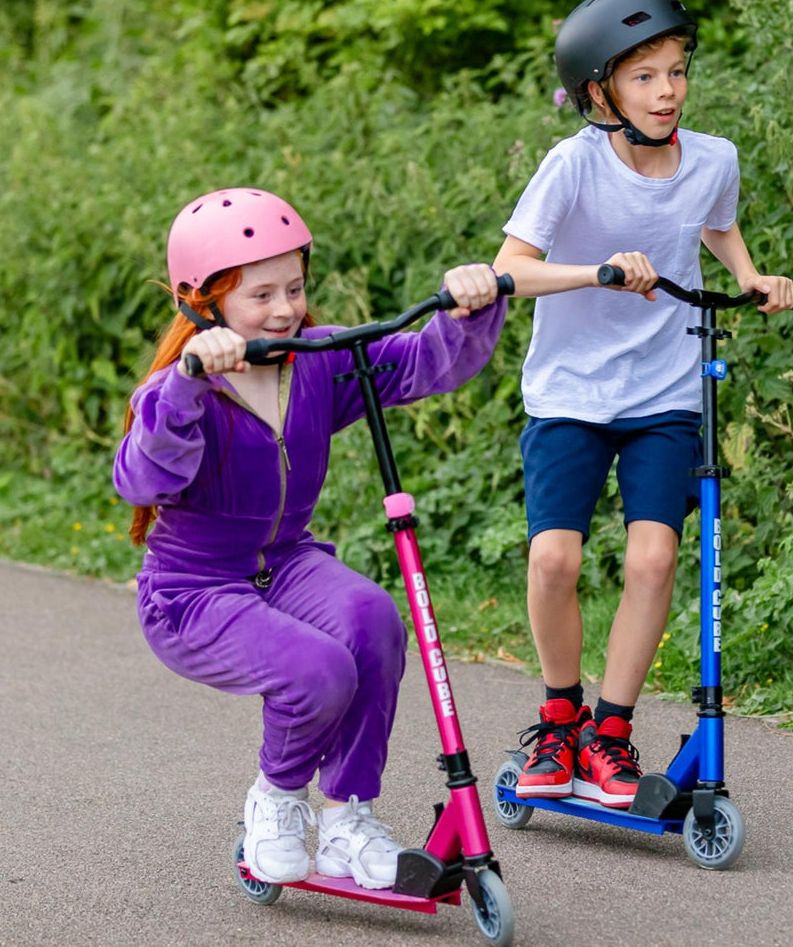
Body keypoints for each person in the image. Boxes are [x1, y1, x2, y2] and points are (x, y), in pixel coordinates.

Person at [114, 187, 506, 887]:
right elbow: (142, 479)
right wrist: (190, 383)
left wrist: (469, 309)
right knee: (316, 670)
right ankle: (276, 798)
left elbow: (426, 362)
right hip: (192, 591)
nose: (285, 310)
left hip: (288, 563)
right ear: (202, 302)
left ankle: (348, 820)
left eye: (294, 288)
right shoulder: (176, 392)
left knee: (373, 622)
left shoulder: (317, 359)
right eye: (260, 295)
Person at [494, 0, 793, 809]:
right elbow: (510, 267)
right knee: (554, 558)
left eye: (676, 72)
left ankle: (610, 734)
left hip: (664, 389)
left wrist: (750, 276)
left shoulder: (714, 158)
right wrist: (597, 273)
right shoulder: (573, 165)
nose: (668, 91)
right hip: (570, 391)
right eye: (644, 77)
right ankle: (560, 719)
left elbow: (714, 222)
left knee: (655, 557)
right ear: (600, 94)